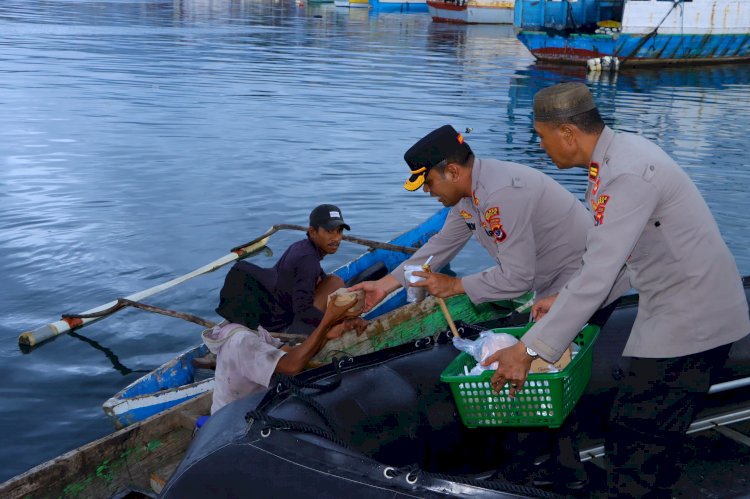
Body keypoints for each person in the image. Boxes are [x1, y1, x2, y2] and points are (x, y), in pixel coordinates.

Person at [484, 82, 750, 497]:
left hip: (692, 317)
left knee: (634, 441)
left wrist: (527, 349)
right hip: (677, 308)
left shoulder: (623, 174)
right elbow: (621, 261)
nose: (541, 147)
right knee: (646, 437)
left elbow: (598, 272)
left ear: (568, 132)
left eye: (542, 136)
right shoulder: (614, 159)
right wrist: (561, 299)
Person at [351, 124, 593, 314]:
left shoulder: (501, 195)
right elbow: (441, 245)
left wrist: (454, 285)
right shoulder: (468, 195)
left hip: (583, 276)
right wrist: (383, 286)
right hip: (549, 277)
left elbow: (517, 278)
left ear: (453, 172)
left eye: (429, 182)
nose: (427, 191)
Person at [204, 294, 367, 414]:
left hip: (252, 407)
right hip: (232, 421)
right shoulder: (242, 340)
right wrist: (327, 320)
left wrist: (327, 334)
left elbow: (286, 354)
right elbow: (291, 366)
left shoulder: (253, 329)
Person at [215, 204, 351, 335]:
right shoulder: (308, 260)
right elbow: (303, 310)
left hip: (274, 309)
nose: (336, 238)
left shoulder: (301, 246)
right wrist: (333, 323)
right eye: (329, 231)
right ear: (312, 232)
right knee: (336, 283)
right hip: (281, 325)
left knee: (332, 281)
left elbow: (318, 276)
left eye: (339, 231)